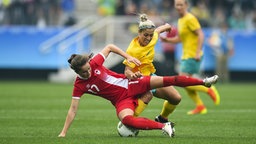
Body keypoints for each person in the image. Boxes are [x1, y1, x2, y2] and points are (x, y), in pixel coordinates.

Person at [58, 44, 218, 138]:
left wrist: (128, 57)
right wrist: (63, 132)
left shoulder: (95, 63)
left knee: (168, 80)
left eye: (88, 68)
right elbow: (72, 110)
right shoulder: (79, 85)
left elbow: (110, 47)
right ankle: (164, 126)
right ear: (76, 72)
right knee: (126, 120)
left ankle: (203, 81)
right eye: (83, 72)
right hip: (121, 100)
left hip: (132, 83)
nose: (88, 73)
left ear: (89, 62)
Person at [160, 0, 220, 115]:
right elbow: (180, 39)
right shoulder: (181, 20)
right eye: (177, 5)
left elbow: (201, 34)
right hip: (186, 55)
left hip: (192, 55)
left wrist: (197, 52)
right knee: (187, 83)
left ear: (186, 5)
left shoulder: (190, 18)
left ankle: (208, 89)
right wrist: (167, 40)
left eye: (181, 4)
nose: (178, 7)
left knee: (183, 80)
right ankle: (200, 106)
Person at [123, 13, 182, 123]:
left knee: (176, 98)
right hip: (137, 81)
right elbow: (127, 71)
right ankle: (128, 122)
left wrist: (168, 26)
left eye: (150, 35)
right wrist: (133, 75)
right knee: (148, 95)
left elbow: (159, 30)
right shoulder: (133, 50)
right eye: (146, 35)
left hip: (150, 77)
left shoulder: (153, 37)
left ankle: (162, 118)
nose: (148, 38)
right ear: (139, 33)